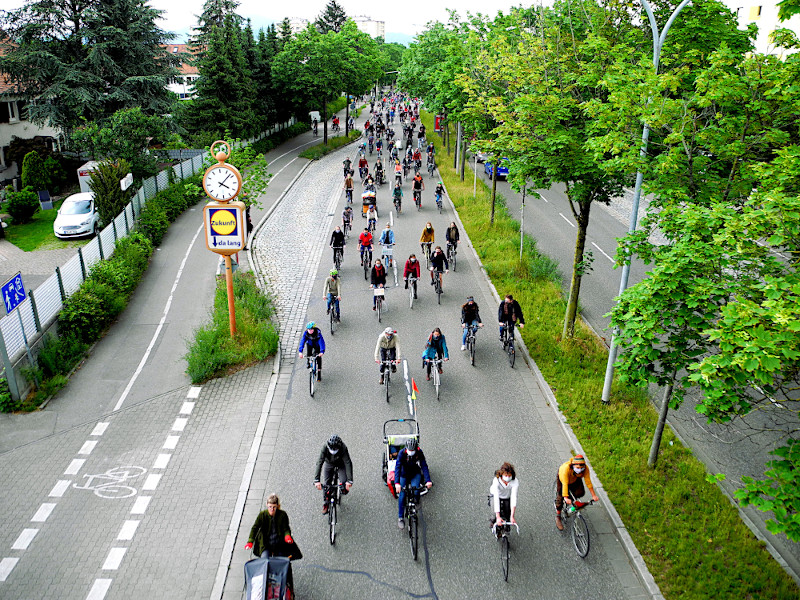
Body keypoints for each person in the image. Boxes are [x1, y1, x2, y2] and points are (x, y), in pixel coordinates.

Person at [245, 494, 302, 559]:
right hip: (266, 545)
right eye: (270, 507)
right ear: (267, 505)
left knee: (281, 562)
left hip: (279, 544)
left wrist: (287, 536)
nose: (272, 509)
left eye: (274, 507)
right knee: (265, 560)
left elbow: (286, 528)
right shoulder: (262, 515)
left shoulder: (282, 515)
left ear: (277, 506)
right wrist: (250, 541)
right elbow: (255, 528)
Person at [394, 438, 432, 528]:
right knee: (402, 496)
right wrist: (397, 483)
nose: (411, 451)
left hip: (415, 473)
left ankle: (416, 500)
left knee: (416, 490)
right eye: (409, 450)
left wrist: (428, 480)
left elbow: (424, 465)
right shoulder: (402, 453)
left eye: (412, 450)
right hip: (404, 474)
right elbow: (398, 467)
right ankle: (400, 517)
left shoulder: (419, 452)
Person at [554, 455, 599, 531]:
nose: (580, 470)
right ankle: (558, 516)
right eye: (578, 468)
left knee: (580, 492)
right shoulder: (565, 469)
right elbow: (565, 484)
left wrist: (594, 495)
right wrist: (565, 497)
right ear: (573, 465)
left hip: (575, 478)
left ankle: (571, 501)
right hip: (563, 479)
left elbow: (588, 482)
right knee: (560, 496)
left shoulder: (585, 469)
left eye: (581, 468)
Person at [313, 435, 353, 514]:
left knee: (344, 482)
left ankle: (342, 490)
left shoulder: (343, 448)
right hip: (329, 463)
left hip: (341, 464)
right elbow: (320, 462)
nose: (333, 451)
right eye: (331, 449)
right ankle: (326, 503)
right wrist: (316, 480)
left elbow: (348, 463)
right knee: (327, 484)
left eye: (335, 449)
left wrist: (349, 480)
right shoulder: (325, 447)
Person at [489, 462, 519, 529]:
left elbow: (514, 497)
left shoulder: (515, 482)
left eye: (509, 476)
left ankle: (507, 529)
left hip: (506, 497)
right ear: (502, 474)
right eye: (506, 475)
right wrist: (498, 516)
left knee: (507, 514)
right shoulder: (496, 481)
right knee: (494, 513)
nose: (507, 478)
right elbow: (496, 498)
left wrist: (512, 516)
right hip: (495, 495)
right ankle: (493, 520)